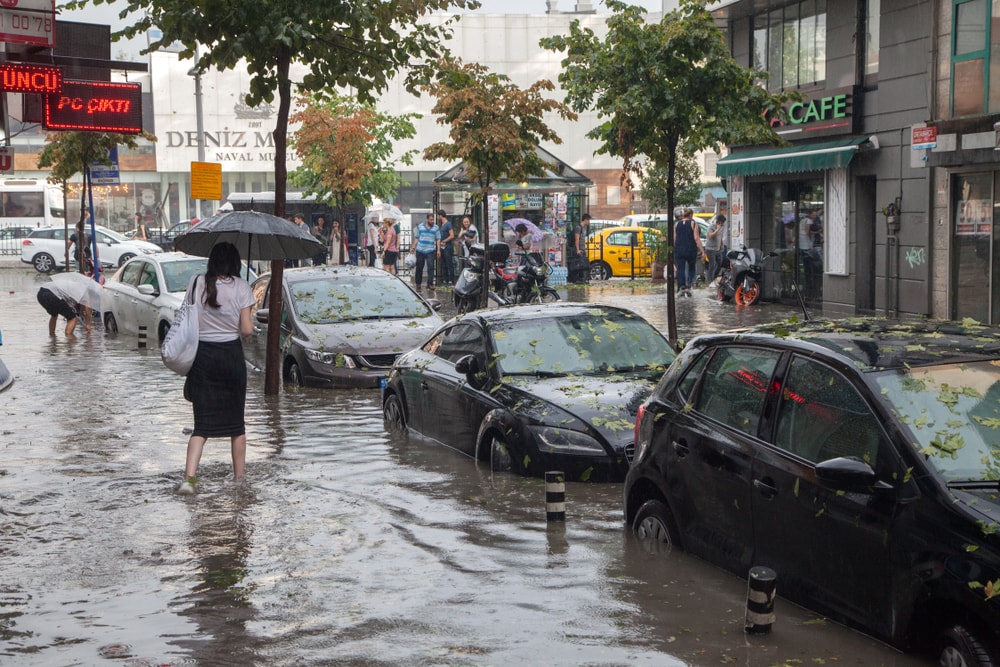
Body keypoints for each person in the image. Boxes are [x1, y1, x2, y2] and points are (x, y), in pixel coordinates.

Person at [177, 242, 255, 495]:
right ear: (235, 262)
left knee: (202, 426)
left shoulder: (196, 282)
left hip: (202, 358)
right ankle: (239, 480)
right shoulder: (242, 287)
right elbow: (246, 330)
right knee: (237, 426)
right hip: (230, 357)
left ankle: (189, 480)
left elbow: (187, 318)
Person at [674, 208, 704, 298]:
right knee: (691, 267)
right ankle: (688, 286)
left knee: (680, 268)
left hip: (679, 249)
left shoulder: (676, 224)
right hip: (690, 249)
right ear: (691, 215)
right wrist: (702, 250)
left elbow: (674, 239)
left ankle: (681, 287)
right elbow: (696, 238)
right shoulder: (693, 223)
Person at [409, 213, 440, 290]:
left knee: (431, 267)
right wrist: (413, 247)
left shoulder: (436, 228)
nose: (432, 221)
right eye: (431, 220)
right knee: (419, 267)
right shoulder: (420, 227)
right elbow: (416, 238)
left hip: (430, 250)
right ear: (427, 219)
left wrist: (438, 250)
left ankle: (430, 284)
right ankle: (418, 283)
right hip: (420, 250)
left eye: (433, 220)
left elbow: (438, 239)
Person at [567, 214, 591, 283]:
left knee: (582, 265)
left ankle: (581, 279)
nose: (589, 222)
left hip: (582, 248)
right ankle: (575, 279)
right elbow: (577, 239)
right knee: (577, 265)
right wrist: (578, 249)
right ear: (585, 220)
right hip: (578, 249)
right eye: (588, 220)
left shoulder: (585, 228)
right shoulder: (578, 227)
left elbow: (583, 239)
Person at [704, 214, 727, 284]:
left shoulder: (721, 228)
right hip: (710, 249)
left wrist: (722, 245)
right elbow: (710, 235)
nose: (723, 224)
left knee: (720, 263)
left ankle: (714, 277)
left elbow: (720, 236)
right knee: (712, 264)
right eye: (722, 223)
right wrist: (717, 229)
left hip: (718, 249)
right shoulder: (711, 226)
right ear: (719, 222)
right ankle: (709, 280)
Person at [437, 209, 455, 285]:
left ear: (441, 215)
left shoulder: (448, 224)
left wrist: (444, 241)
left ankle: (451, 280)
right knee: (443, 263)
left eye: (438, 216)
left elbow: (452, 235)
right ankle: (445, 279)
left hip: (448, 246)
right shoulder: (441, 225)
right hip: (442, 247)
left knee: (449, 263)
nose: (437, 217)